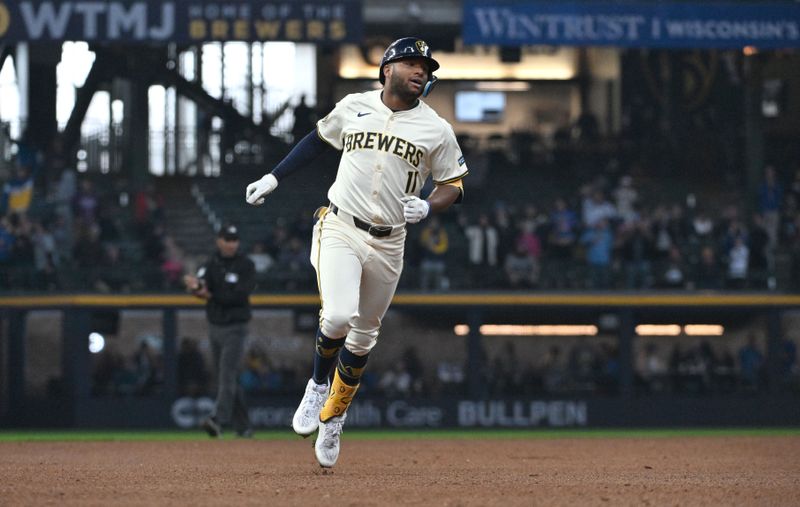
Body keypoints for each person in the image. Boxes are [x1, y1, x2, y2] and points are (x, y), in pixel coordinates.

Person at [245, 37, 467, 468]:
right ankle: (316, 386)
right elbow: (315, 140)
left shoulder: (436, 128)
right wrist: (274, 178)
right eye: (411, 63)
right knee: (337, 316)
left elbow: (453, 185)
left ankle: (334, 417)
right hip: (341, 225)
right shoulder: (354, 105)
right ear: (387, 69)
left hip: (391, 240)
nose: (421, 71)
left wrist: (428, 204)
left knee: (364, 336)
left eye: (426, 66)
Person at [183, 222, 256, 439]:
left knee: (226, 374)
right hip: (215, 326)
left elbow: (240, 295)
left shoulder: (246, 265)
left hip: (236, 327)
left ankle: (217, 419)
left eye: (235, 240)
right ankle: (243, 426)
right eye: (228, 239)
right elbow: (201, 284)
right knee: (227, 377)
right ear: (219, 241)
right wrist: (195, 287)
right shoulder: (211, 264)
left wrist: (211, 295)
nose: (232, 244)